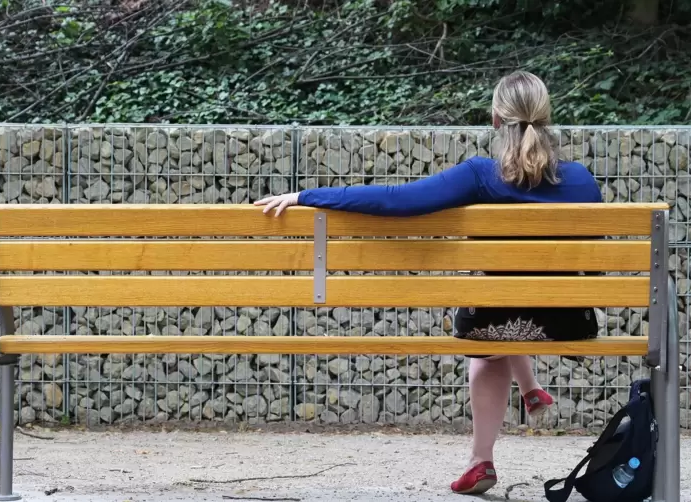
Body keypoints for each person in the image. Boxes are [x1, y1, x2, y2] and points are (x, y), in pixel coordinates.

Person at [254, 70, 601, 496]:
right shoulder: (582, 179)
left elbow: (396, 201)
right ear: (547, 117)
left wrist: (308, 196)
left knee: (490, 338)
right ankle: (527, 395)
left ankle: (481, 459)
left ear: (495, 119)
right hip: (569, 322)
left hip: (495, 321)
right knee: (516, 307)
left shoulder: (479, 175)